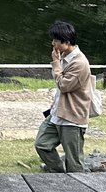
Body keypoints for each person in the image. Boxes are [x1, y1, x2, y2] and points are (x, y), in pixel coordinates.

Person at [34, 20, 91, 173]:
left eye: (55, 41)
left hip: (72, 118)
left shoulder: (79, 63)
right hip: (57, 113)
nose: (53, 44)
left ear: (66, 42)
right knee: (42, 144)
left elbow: (64, 86)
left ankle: (77, 187)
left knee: (74, 161)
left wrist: (56, 64)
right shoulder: (65, 56)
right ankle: (59, 174)